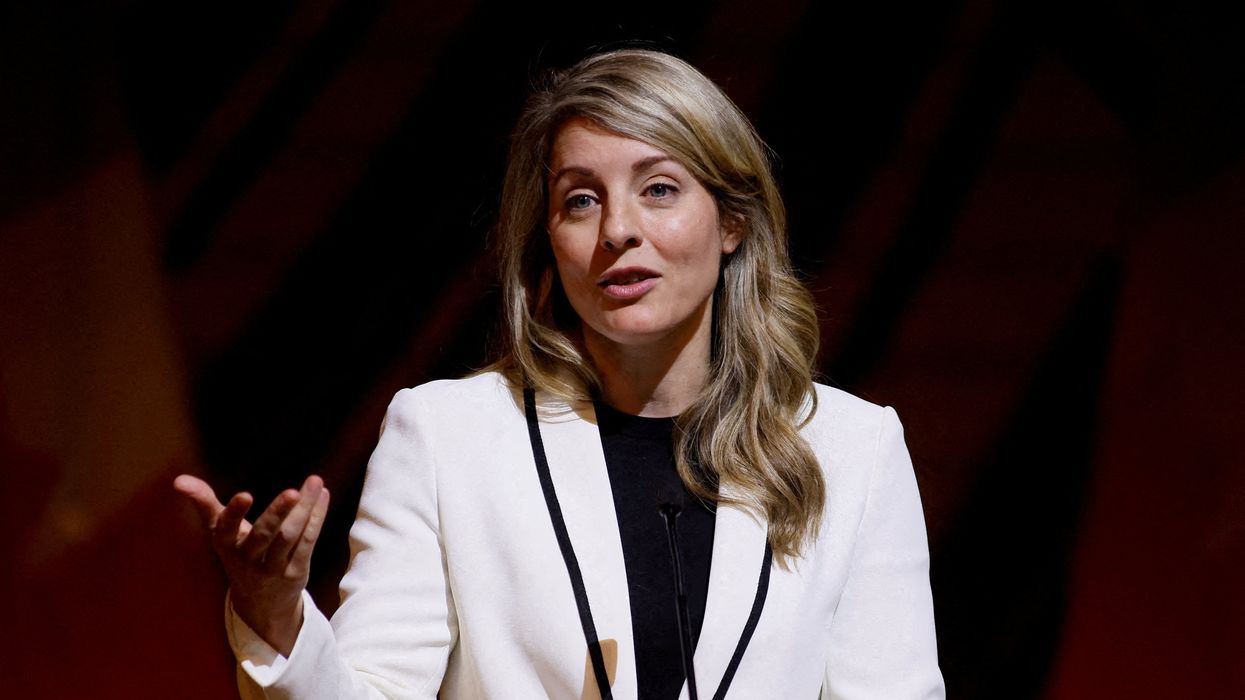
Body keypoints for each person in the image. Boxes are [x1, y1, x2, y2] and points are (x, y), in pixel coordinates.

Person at [176, 48, 945, 699]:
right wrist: (275, 616)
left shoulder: (852, 449)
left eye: (659, 189)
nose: (617, 230)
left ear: (732, 221)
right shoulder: (448, 436)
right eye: (581, 200)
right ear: (549, 240)